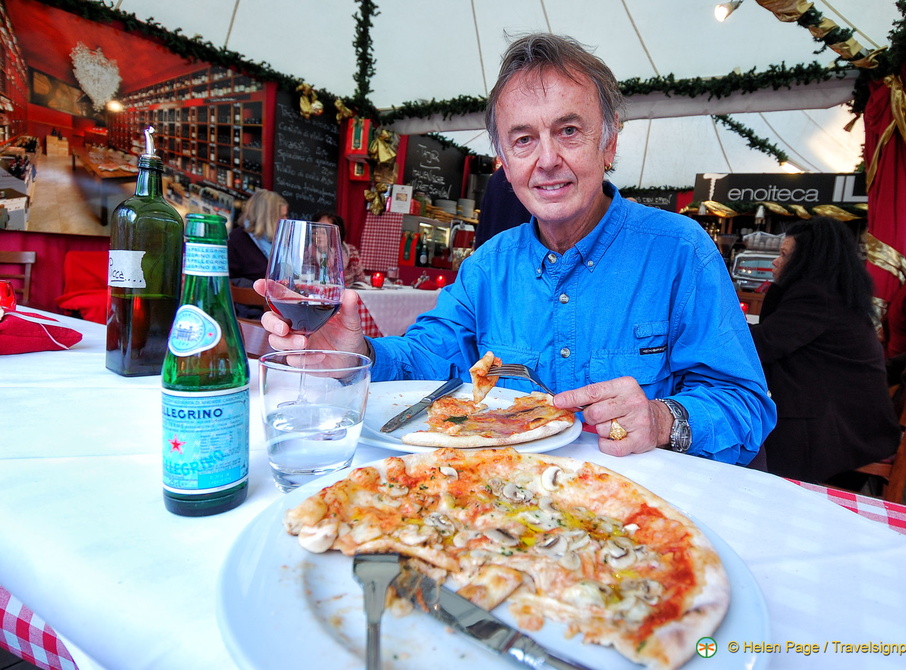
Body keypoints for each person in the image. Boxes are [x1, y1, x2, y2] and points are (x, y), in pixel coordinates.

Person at [257, 33, 775, 464]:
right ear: (503, 160)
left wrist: (662, 419)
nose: (546, 160)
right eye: (523, 139)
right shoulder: (487, 266)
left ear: (609, 143)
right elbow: (426, 361)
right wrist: (355, 354)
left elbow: (747, 405)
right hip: (502, 505)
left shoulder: (680, 251)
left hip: (637, 514)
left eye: (568, 131)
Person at [749, 217, 900, 484]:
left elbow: (763, 345)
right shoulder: (833, 291)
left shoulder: (816, 296)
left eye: (784, 255)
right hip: (854, 419)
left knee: (745, 434)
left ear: (808, 260)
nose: (775, 262)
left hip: (840, 430)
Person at [228, 189, 288, 285]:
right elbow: (228, 281)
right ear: (266, 218)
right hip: (255, 294)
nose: (286, 220)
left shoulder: (278, 239)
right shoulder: (236, 241)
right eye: (281, 216)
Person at [473, 165, 531, 249]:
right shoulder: (533, 177)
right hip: (525, 251)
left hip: (493, 251)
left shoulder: (495, 178)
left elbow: (481, 234)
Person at [314, 211, 365, 285]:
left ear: (338, 232)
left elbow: (361, 282)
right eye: (316, 231)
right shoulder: (307, 253)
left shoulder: (351, 252)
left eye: (325, 230)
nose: (319, 235)